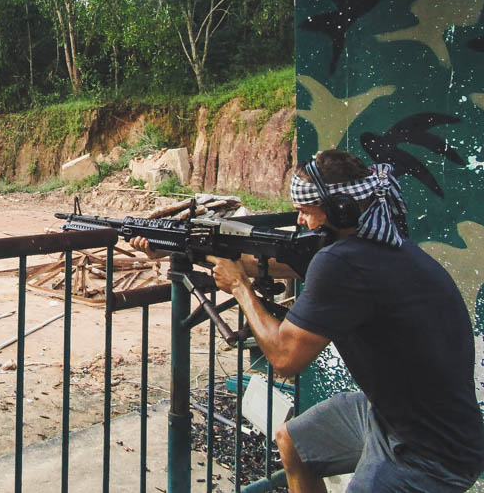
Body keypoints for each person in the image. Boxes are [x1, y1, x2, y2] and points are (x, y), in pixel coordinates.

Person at [204, 149, 484, 492]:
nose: (301, 222)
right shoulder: (380, 242)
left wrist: (239, 287)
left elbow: (283, 359)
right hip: (395, 417)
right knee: (295, 442)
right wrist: (190, 251)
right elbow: (293, 264)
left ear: (340, 209)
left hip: (432, 451)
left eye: (306, 212)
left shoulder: (344, 262)